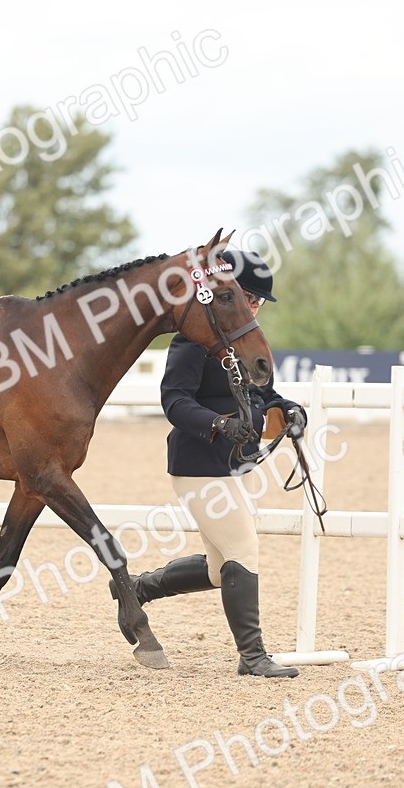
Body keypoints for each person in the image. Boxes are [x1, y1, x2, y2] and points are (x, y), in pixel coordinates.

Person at [112, 247, 305, 678]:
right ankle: (252, 657)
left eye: (255, 302)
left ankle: (137, 588)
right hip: (197, 464)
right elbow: (174, 400)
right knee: (244, 549)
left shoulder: (246, 343)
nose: (253, 309)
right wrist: (217, 423)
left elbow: (264, 396)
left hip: (230, 467)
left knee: (221, 569)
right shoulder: (193, 342)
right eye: (250, 299)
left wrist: (290, 409)